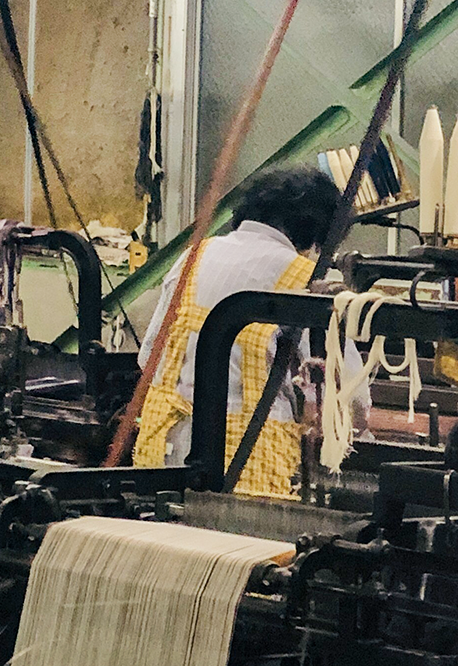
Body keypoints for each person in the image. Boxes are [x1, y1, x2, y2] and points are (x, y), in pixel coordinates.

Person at [134, 167, 365, 496]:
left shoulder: (193, 256)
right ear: (315, 230)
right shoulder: (305, 278)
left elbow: (149, 361)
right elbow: (353, 396)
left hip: (163, 454)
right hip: (249, 465)